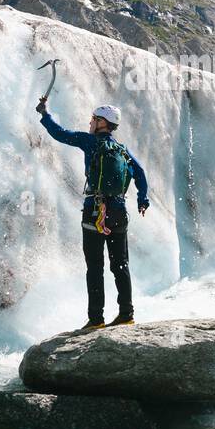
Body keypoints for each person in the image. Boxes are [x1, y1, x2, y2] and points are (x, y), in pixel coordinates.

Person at [36, 97, 149, 329]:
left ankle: (96, 319)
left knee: (95, 267)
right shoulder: (122, 149)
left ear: (101, 122)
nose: (90, 123)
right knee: (121, 265)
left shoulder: (90, 142)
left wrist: (45, 115)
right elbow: (140, 173)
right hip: (119, 212)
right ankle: (127, 314)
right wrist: (142, 199)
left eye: (93, 119)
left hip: (95, 212)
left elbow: (60, 134)